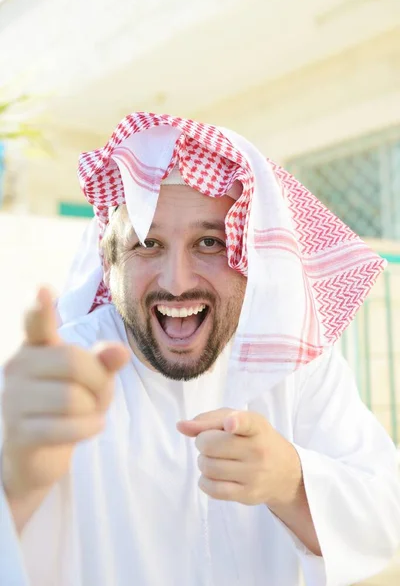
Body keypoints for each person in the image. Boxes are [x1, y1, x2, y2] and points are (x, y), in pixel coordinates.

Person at [1, 112, 400, 586]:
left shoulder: (298, 365)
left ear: (251, 259)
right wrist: (18, 478)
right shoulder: (63, 375)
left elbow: (387, 516)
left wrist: (291, 481)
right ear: (108, 266)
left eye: (209, 243)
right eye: (147, 244)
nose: (177, 282)